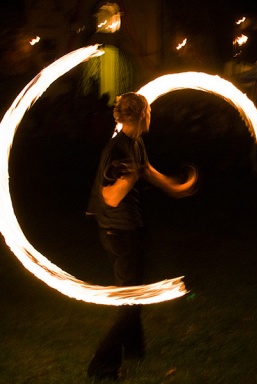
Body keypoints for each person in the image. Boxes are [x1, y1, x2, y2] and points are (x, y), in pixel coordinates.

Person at [85, 92, 197, 380]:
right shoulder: (118, 150)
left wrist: (175, 186)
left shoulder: (135, 142)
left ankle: (134, 349)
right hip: (117, 230)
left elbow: (146, 170)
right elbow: (109, 197)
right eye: (149, 111)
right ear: (140, 115)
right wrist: (129, 177)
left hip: (129, 226)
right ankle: (102, 365)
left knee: (134, 290)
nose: (152, 116)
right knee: (131, 298)